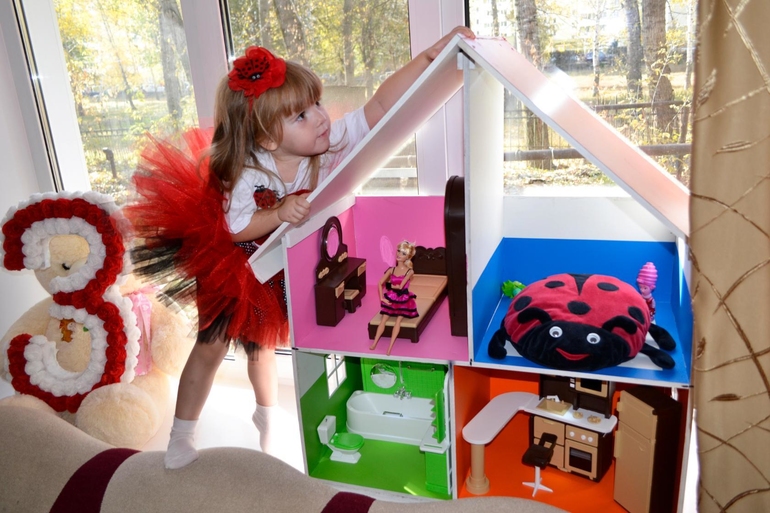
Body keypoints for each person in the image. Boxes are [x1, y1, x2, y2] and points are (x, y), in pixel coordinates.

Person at [126, 26, 475, 470]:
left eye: (317, 104)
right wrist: (278, 212)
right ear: (268, 139)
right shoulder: (249, 169)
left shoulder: (325, 146)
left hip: (279, 258)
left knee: (262, 343)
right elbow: (235, 228)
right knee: (212, 344)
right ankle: (182, 433)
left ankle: (267, 415)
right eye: (302, 116)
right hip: (235, 260)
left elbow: (381, 107)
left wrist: (427, 57)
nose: (321, 118)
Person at [370, 241, 419, 356]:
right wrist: (382, 298)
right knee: (383, 320)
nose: (399, 254)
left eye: (403, 253)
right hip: (392, 297)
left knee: (398, 321)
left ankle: (389, 347)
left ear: (407, 257)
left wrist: (391, 286)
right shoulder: (391, 270)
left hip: (404, 299)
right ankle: (374, 343)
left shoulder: (410, 271)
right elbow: (380, 283)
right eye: (398, 251)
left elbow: (400, 286)